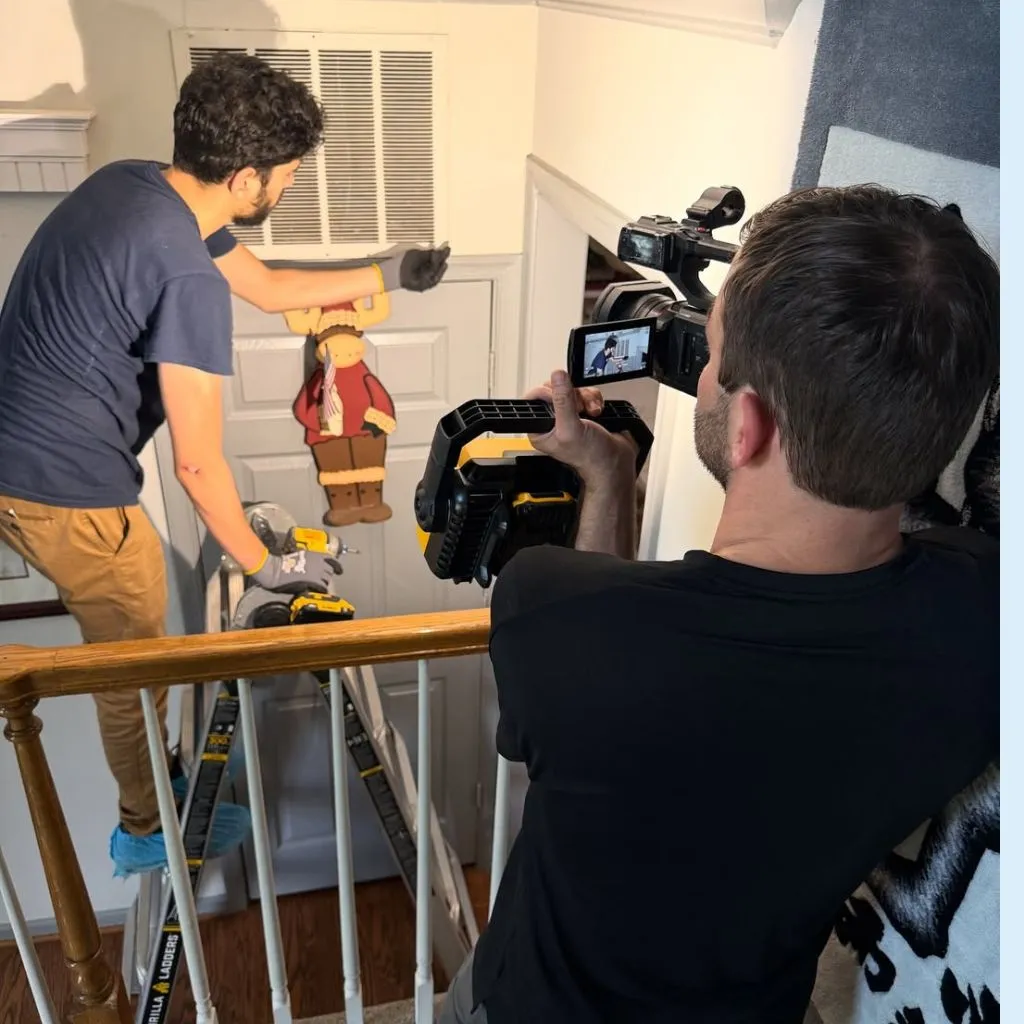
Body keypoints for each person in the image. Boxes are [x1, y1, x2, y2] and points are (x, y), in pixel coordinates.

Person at [439, 186, 999, 1023]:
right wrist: (616, 473)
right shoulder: (983, 626)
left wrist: (602, 476)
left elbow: (596, 695)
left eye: (708, 352)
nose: (694, 371)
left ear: (748, 427)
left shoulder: (545, 607)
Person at [0, 52, 449, 879]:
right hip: (65, 493)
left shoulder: (135, 185)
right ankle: (147, 825)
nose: (286, 187)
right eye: (285, 175)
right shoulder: (183, 275)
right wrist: (266, 566)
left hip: (19, 454)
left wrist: (390, 272)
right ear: (246, 179)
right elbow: (199, 466)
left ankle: (153, 796)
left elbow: (271, 287)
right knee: (133, 668)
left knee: (136, 648)